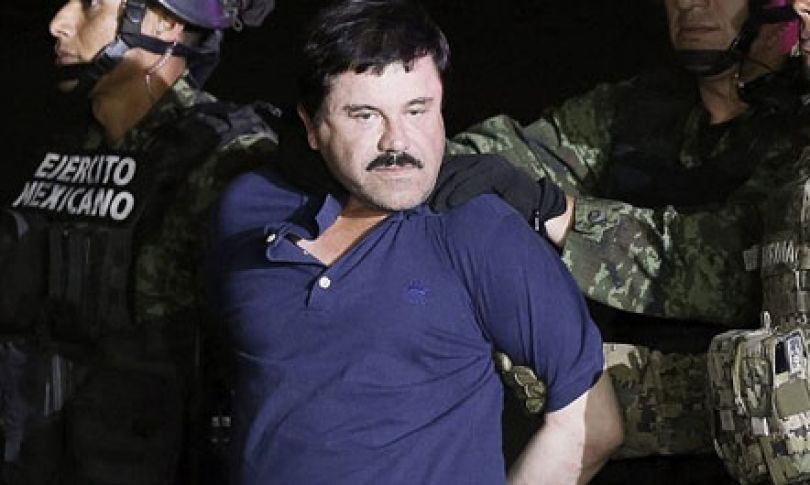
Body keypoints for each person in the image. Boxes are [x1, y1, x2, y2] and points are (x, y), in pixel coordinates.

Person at [207, 0, 623, 483]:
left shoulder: (478, 229)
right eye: (365, 115)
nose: (397, 141)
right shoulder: (246, 209)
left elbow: (591, 425)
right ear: (311, 126)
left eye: (417, 110)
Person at [432, 0, 810, 462]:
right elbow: (511, 155)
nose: (691, 3)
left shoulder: (797, 129)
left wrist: (562, 216)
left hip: (740, 433)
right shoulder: (640, 106)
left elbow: (735, 267)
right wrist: (408, 167)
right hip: (619, 419)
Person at [0, 0, 277, 483]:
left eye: (91, 4)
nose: (58, 23)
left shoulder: (225, 158)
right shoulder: (52, 147)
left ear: (167, 21)